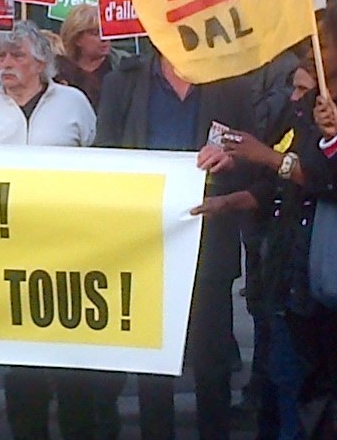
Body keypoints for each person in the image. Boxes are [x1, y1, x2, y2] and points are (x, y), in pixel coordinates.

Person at [211, 1, 337, 440]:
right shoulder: (309, 104)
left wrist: (267, 155)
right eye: (309, 44)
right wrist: (237, 199)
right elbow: (290, 176)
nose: (311, 54)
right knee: (285, 384)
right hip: (294, 268)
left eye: (323, 44)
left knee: (330, 393)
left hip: (334, 276)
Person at [97, 45, 283, 440]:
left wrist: (232, 160)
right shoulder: (123, 84)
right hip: (146, 239)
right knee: (153, 363)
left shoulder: (231, 85)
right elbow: (104, 154)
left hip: (209, 235)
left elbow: (252, 159)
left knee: (212, 359)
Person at [0, 21, 114, 440]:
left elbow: (99, 163)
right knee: (22, 364)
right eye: (2, 56)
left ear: (42, 62)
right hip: (8, 252)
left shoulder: (74, 104)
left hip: (68, 250)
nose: (6, 64)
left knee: (71, 358)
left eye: (17, 56)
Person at [56, 4, 115, 107]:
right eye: (95, 34)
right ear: (77, 39)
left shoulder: (120, 65)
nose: (104, 39)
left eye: (106, 32)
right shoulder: (61, 70)